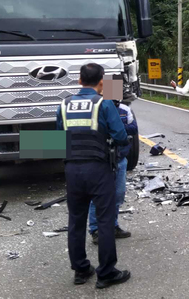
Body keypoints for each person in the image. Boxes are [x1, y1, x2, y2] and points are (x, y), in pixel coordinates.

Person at [56, 63, 131, 289]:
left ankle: (80, 270)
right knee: (106, 220)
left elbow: (59, 137)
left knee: (76, 220)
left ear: (79, 80)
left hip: (72, 170)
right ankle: (106, 273)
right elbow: (120, 136)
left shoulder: (63, 104)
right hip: (98, 169)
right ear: (101, 82)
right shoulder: (104, 103)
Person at [88, 99, 138, 245]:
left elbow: (133, 128)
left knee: (118, 194)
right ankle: (96, 229)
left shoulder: (124, 109)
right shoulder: (95, 108)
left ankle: (113, 226)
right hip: (100, 159)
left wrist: (114, 126)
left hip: (120, 158)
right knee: (98, 195)